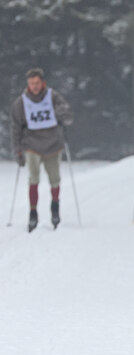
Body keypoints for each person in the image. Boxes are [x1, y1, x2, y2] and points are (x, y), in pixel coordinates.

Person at [10, 68, 73, 232]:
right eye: (31, 83)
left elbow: (68, 117)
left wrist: (62, 113)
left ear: (42, 83)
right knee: (33, 178)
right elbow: (16, 128)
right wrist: (17, 150)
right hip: (31, 145)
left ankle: (55, 208)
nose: (35, 86)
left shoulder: (53, 96)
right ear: (28, 84)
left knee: (55, 179)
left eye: (37, 83)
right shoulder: (21, 102)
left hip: (53, 144)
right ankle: (33, 213)